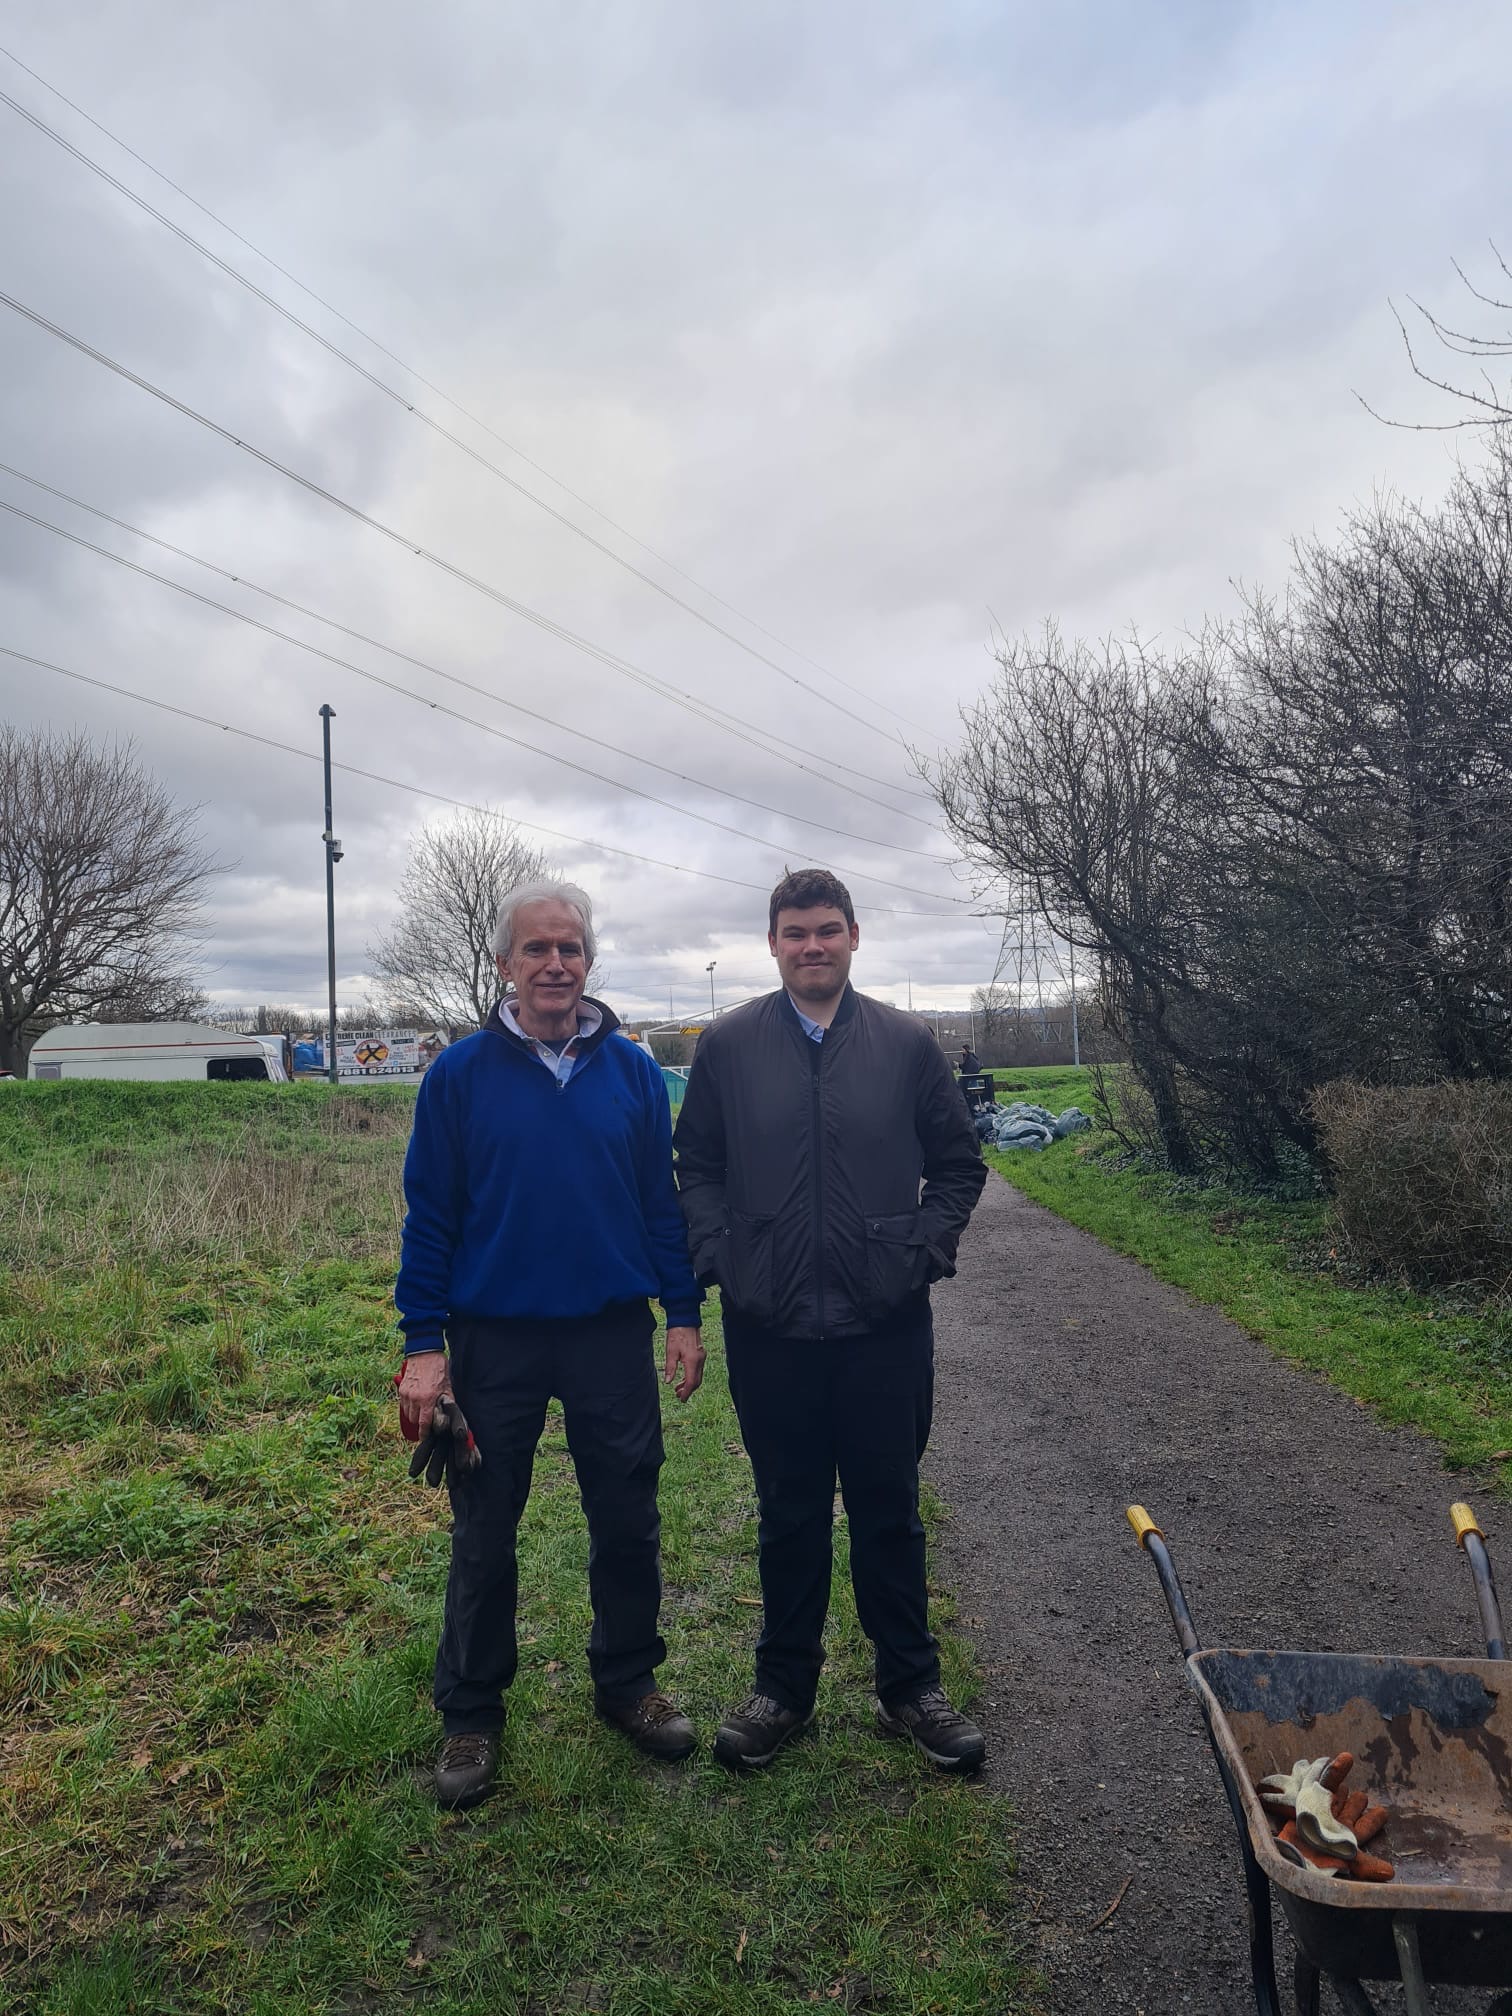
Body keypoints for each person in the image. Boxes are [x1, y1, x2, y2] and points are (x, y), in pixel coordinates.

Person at [395, 879, 707, 1809]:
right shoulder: (459, 1075)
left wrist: (683, 1314)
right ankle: (472, 1713)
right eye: (536, 949)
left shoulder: (636, 1074)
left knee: (627, 1520)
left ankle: (627, 1686)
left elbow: (663, 1207)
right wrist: (423, 1344)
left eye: (570, 948)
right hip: (495, 1340)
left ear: (588, 962)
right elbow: (431, 1219)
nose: (555, 964)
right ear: (504, 966)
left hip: (610, 1335)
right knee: (484, 1532)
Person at [674, 868, 988, 1773]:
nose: (812, 946)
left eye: (828, 930)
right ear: (772, 944)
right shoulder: (728, 1047)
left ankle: (909, 1690)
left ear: (855, 937)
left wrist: (915, 1253)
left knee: (889, 1509)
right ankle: (782, 1690)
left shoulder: (906, 1044)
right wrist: (725, 1258)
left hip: (884, 1325)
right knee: (790, 1513)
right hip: (770, 1327)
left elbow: (958, 1167)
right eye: (795, 932)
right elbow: (695, 1167)